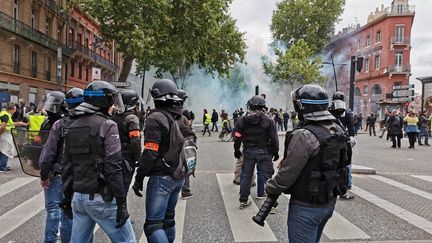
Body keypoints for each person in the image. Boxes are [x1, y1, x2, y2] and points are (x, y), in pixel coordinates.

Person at [266, 84, 350, 243]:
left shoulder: (304, 134)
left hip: (306, 206)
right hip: (328, 202)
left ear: (301, 106)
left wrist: (271, 187)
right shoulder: (337, 129)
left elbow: (287, 172)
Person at [62, 81, 135, 242]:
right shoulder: (108, 125)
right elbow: (113, 166)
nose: (114, 106)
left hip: (79, 198)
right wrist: (122, 203)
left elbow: (67, 166)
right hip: (101, 198)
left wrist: (66, 198)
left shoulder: (73, 125)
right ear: (104, 102)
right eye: (112, 101)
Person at [132, 79, 185, 243]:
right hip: (178, 175)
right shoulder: (179, 116)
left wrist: (139, 177)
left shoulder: (155, 118)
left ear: (156, 96)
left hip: (162, 177)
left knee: (154, 226)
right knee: (168, 220)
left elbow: (150, 152)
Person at [39, 89, 83, 243]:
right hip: (75, 175)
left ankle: (50, 241)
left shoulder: (60, 123)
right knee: (68, 212)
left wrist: (44, 175)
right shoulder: (83, 123)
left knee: (54, 211)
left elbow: (47, 154)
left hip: (56, 173)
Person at [233, 95, 279, 209]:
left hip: (248, 151)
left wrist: (236, 150)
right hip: (264, 152)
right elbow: (274, 138)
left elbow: (237, 136)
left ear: (251, 105)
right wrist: (275, 152)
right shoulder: (268, 120)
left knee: (246, 176)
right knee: (268, 176)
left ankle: (243, 201)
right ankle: (272, 204)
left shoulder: (242, 120)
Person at [112, 89, 142, 194]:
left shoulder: (114, 116)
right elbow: (136, 141)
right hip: (126, 158)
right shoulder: (132, 118)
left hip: (113, 156)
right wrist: (138, 158)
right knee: (124, 186)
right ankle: (122, 209)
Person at [328, 91, 354, 200]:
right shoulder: (329, 111)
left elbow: (351, 126)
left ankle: (343, 189)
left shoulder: (346, 113)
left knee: (345, 166)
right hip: (332, 140)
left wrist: (352, 137)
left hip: (343, 141)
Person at [177, 89, 197, 199]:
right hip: (182, 147)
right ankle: (185, 190)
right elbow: (189, 134)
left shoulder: (160, 115)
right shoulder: (183, 115)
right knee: (184, 167)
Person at [0, 102, 27, 173]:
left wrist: (21, 123)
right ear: (11, 109)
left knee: (3, 150)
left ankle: (2, 166)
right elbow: (3, 126)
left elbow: (9, 124)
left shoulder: (6, 114)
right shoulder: (5, 115)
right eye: (14, 109)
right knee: (5, 151)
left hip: (5, 134)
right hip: (5, 135)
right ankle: (2, 167)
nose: (15, 111)